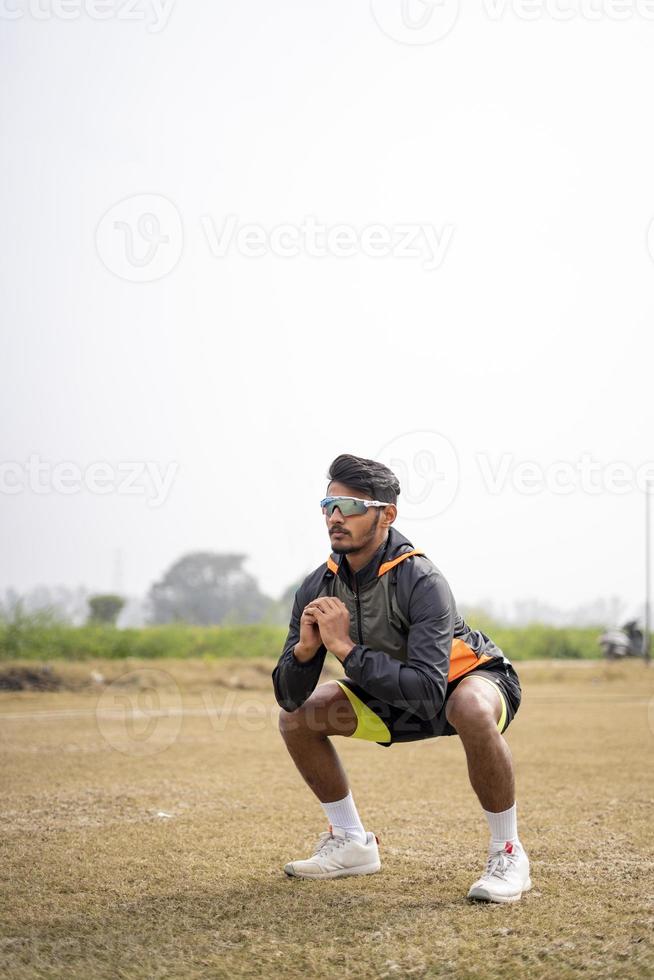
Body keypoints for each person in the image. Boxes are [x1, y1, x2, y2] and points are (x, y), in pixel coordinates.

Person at [272, 453, 531, 903]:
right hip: (392, 691)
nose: (336, 517)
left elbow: (430, 694)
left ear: (386, 515)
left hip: (465, 680)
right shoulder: (316, 586)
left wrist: (347, 649)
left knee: (466, 707)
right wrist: (306, 651)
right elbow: (289, 697)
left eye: (350, 506)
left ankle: (508, 853)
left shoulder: (422, 578)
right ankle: (352, 842)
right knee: (299, 720)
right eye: (328, 505)